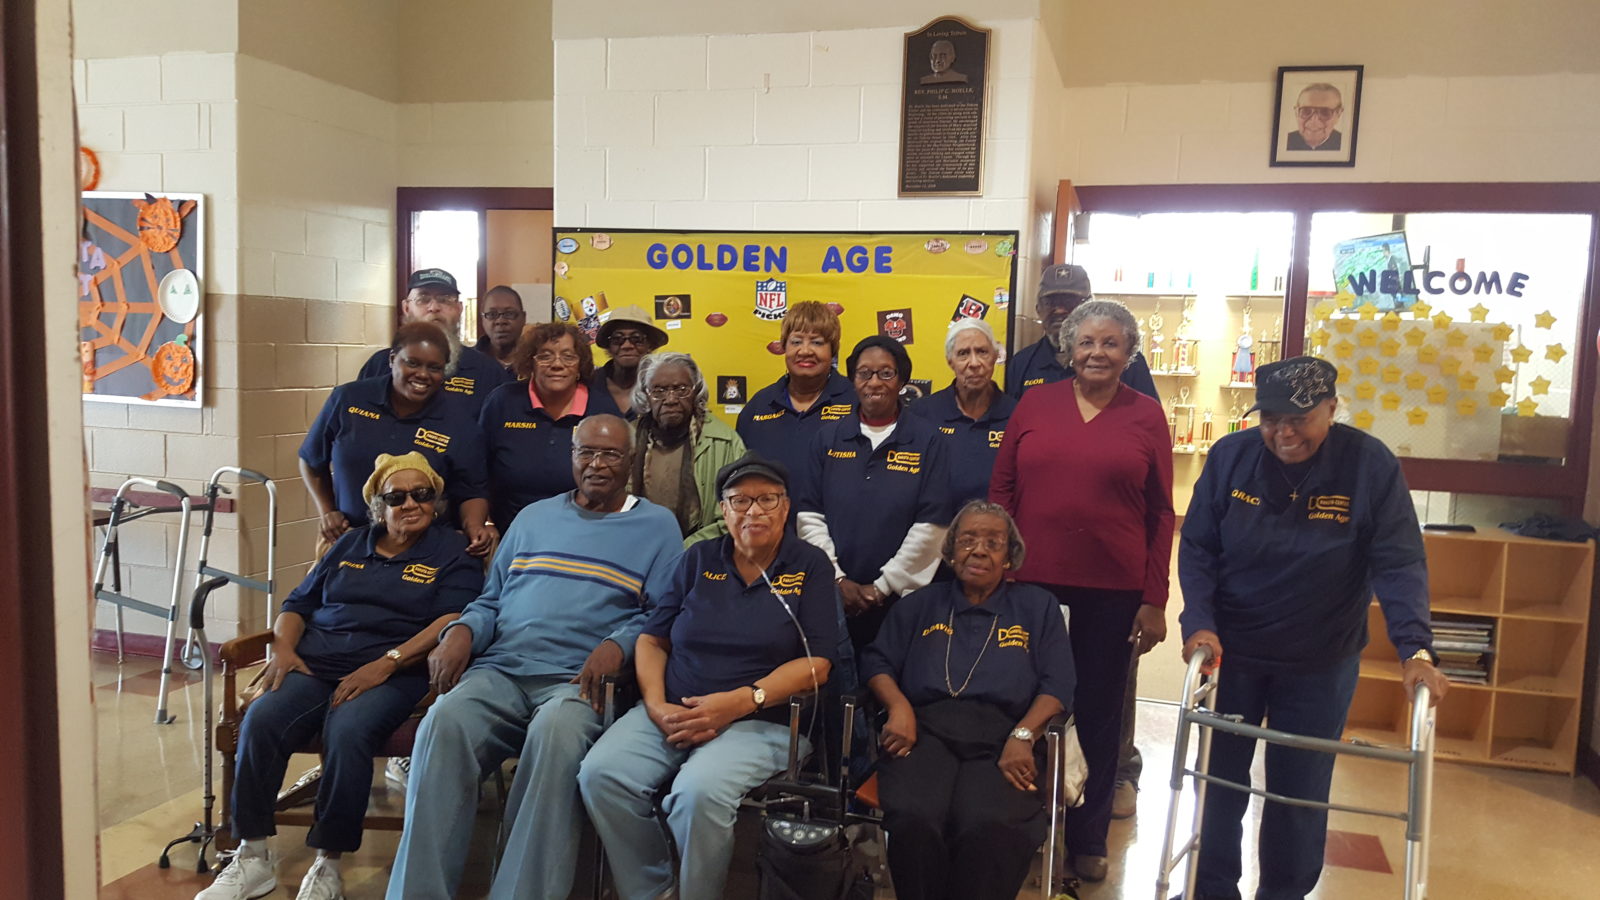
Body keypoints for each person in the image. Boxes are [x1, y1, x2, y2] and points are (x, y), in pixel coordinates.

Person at [1177, 356, 1448, 900]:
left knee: (1298, 791)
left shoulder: (1368, 465)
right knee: (1219, 779)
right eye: (1271, 419)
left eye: (1299, 419)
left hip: (1320, 657)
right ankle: (1210, 890)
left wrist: (1415, 649)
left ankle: (1283, 893)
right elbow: (1199, 547)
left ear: (1331, 409)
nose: (1284, 432)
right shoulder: (1232, 456)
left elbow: (1399, 561)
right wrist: (1200, 623)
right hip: (1234, 651)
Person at [385, 415, 684, 900]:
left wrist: (618, 644)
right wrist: (462, 631)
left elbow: (661, 616)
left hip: (579, 683)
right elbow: (490, 601)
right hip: (502, 670)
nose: (597, 464)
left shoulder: (657, 526)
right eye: (586, 452)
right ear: (572, 456)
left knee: (556, 734)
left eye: (610, 454)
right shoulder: (533, 517)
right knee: (442, 723)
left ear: (631, 462)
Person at [198, 453, 482, 900]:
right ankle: (252, 855)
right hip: (315, 665)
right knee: (262, 720)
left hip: (394, 674)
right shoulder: (350, 544)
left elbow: (452, 618)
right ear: (379, 507)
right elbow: (298, 605)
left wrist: (386, 663)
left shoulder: (452, 551)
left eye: (422, 494)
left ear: (436, 501)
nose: (411, 504)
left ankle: (328, 863)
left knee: (348, 731)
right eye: (397, 497)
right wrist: (284, 649)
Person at [579, 452, 839, 900]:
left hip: (763, 720)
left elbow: (818, 663)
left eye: (767, 499)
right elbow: (652, 639)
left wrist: (739, 702)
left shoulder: (809, 565)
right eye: (740, 500)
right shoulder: (698, 558)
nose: (754, 511)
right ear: (723, 510)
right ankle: (654, 890)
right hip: (674, 710)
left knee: (697, 792)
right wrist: (656, 705)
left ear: (786, 507)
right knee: (601, 775)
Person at [990, 298, 1174, 883]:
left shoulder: (1147, 415)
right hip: (1030, 582)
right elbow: (1003, 488)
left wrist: (1154, 597)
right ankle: (1019, 826)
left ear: (1129, 352)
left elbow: (1161, 512)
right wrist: (999, 568)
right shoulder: (1035, 403)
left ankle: (1087, 836)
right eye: (1087, 342)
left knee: (1098, 710)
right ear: (1069, 348)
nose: (1097, 352)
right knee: (1024, 702)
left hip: (1113, 588)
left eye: (1110, 342)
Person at [861, 501, 1074, 900]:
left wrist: (1024, 735)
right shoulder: (919, 603)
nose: (979, 551)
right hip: (923, 731)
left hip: (1005, 735)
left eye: (993, 543)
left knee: (988, 822)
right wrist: (899, 707)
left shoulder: (1037, 607)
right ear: (951, 550)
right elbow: (877, 662)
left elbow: (1059, 683)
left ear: (1009, 556)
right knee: (916, 816)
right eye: (968, 540)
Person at [799, 335, 951, 658]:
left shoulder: (928, 441)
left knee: (893, 679)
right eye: (864, 373)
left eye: (886, 373)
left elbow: (932, 526)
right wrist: (838, 580)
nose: (874, 382)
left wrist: (882, 587)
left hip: (901, 601)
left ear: (902, 380)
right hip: (833, 598)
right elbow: (809, 517)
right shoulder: (827, 439)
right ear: (853, 379)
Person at [299, 322, 494, 557]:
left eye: (434, 367)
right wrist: (327, 511)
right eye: (412, 363)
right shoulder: (349, 399)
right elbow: (311, 460)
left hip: (424, 552)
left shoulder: (459, 423)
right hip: (349, 541)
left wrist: (474, 526)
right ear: (392, 359)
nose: (422, 374)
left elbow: (472, 490)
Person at [477, 322, 601, 530]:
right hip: (511, 532)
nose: (557, 364)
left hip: (582, 531)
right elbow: (477, 470)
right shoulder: (503, 401)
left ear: (580, 364)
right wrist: (485, 522)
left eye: (568, 356)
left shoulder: (601, 409)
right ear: (530, 362)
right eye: (545, 356)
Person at [738, 300, 856, 508]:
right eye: (796, 341)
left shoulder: (857, 402)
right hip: (769, 526)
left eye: (817, 342)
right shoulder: (759, 406)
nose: (805, 351)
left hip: (838, 526)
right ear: (784, 347)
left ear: (833, 350)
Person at [357, 268, 510, 417]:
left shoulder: (488, 372)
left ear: (459, 309)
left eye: (445, 299)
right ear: (406, 308)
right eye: (423, 299)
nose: (434, 308)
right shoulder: (378, 365)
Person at [628, 352, 745, 545]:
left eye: (681, 389)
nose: (670, 399)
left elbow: (736, 512)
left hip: (701, 555)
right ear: (645, 395)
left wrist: (683, 551)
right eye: (659, 391)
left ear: (696, 392)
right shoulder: (627, 439)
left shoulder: (725, 442)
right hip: (637, 548)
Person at [1005, 264, 1158, 401]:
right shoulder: (1022, 363)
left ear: (1089, 306)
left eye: (1069, 301)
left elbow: (1148, 418)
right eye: (1050, 302)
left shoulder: (1127, 361)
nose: (1060, 310)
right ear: (1038, 309)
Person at [908, 319, 1017, 509]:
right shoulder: (922, 413)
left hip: (997, 525)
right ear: (950, 362)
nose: (974, 363)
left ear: (995, 356)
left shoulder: (1017, 414)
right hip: (937, 525)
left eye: (982, 352)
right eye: (963, 353)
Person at [589, 304, 669, 419]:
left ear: (650, 345)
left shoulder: (663, 387)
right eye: (617, 339)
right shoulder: (589, 384)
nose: (627, 346)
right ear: (609, 346)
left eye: (637, 339)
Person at [475, 284, 527, 377]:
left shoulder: (537, 362)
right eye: (492, 314)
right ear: (482, 319)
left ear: (523, 318)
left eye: (509, 314)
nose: (500, 321)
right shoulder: (468, 362)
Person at [1285, 83, 1344, 151]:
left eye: (1325, 112)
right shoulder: (1284, 141)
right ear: (1296, 112)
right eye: (1306, 111)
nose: (1314, 120)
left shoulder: (1346, 144)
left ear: (1338, 114)